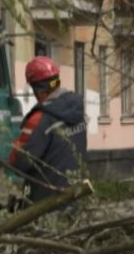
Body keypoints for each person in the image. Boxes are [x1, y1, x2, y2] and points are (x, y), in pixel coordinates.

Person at [9, 56, 87, 203]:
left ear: (37, 90)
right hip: (76, 197)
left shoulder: (40, 119)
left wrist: (16, 147)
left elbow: (21, 162)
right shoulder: (78, 112)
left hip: (46, 203)